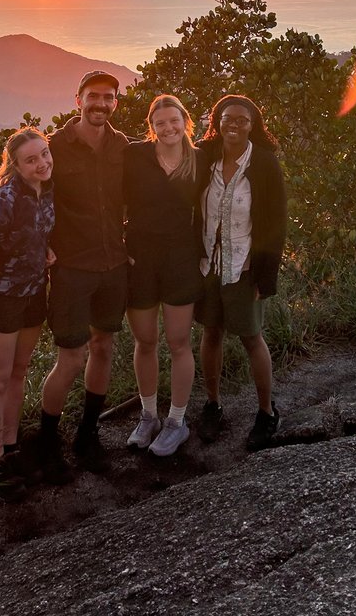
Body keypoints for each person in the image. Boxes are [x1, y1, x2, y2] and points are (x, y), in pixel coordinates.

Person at [0, 70, 129, 478]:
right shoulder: (56, 147)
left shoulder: (122, 147)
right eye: (93, 96)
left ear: (116, 102)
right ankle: (47, 437)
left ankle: (88, 433)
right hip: (71, 270)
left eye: (108, 98)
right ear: (77, 99)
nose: (100, 104)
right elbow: (19, 185)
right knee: (71, 356)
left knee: (104, 348)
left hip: (114, 265)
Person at [195, 94, 287, 452]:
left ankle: (266, 412)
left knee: (251, 338)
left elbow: (275, 223)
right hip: (208, 267)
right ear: (216, 121)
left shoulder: (263, 163)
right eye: (226, 118)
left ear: (253, 125)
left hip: (244, 268)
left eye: (242, 120)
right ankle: (213, 405)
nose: (233, 124)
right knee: (211, 334)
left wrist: (266, 277)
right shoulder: (207, 160)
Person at [0, 127, 56, 500]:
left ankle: (12, 447)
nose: (41, 163)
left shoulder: (48, 189)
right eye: (31, 159)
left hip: (35, 295)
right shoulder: (3, 202)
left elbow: (40, 233)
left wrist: (45, 252)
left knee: (19, 374)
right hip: (2, 300)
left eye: (44, 154)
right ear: (16, 166)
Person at [123, 95, 205, 457]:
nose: (168, 128)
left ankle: (176, 421)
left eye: (174, 121)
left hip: (180, 259)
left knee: (178, 342)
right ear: (151, 128)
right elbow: (106, 197)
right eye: (160, 123)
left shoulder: (200, 160)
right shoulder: (136, 156)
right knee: (145, 341)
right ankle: (148, 415)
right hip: (139, 259)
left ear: (185, 122)